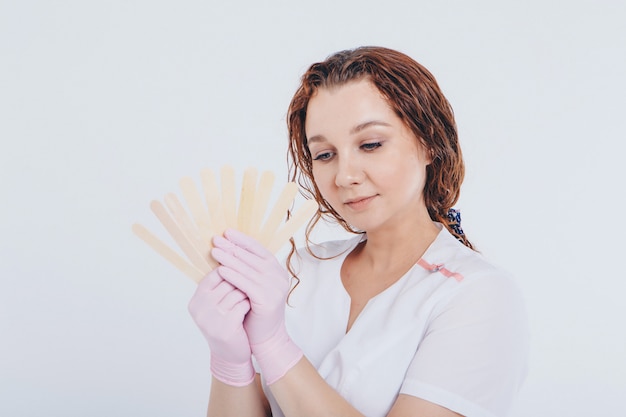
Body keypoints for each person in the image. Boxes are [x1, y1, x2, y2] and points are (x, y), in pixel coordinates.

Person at [188, 46, 529, 417]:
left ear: (429, 142)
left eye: (370, 144)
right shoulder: (294, 274)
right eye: (324, 154)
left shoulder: (477, 295)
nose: (345, 176)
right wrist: (230, 363)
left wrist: (273, 345)